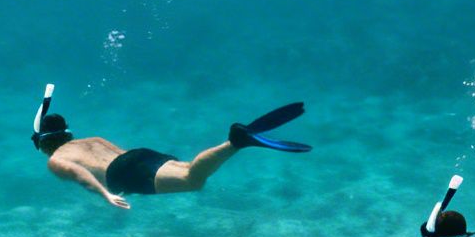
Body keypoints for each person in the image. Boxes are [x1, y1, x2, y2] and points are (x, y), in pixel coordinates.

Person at [28, 84, 309, 209]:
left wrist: (105, 195)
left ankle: (237, 141)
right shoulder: (92, 140)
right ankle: (238, 141)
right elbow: (122, 154)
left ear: (42, 143)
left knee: (193, 180)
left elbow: (82, 176)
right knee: (188, 169)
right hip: (138, 156)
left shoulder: (55, 161)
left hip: (123, 174)